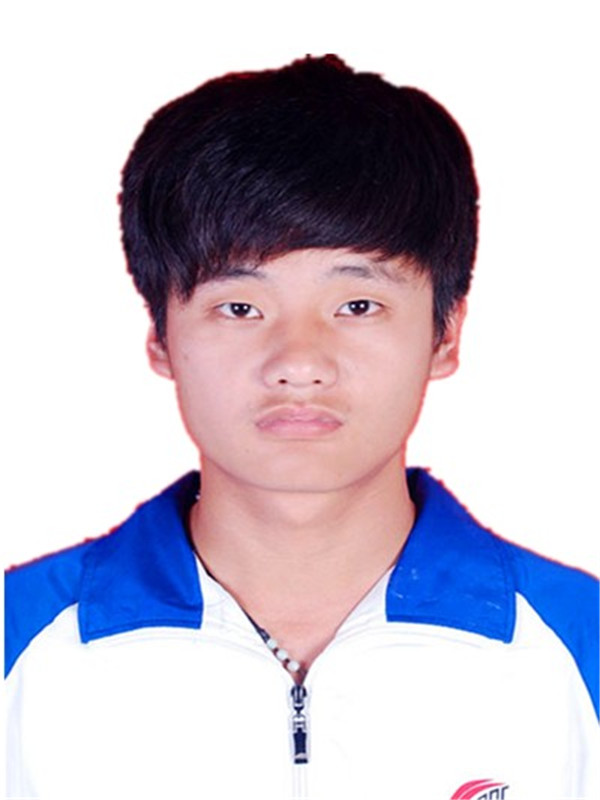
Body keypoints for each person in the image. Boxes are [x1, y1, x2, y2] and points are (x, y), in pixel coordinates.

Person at [5, 55, 598, 800]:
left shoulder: (582, 648)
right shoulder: (18, 644)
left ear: (445, 333)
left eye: (357, 305)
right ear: (160, 336)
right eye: (240, 307)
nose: (298, 363)